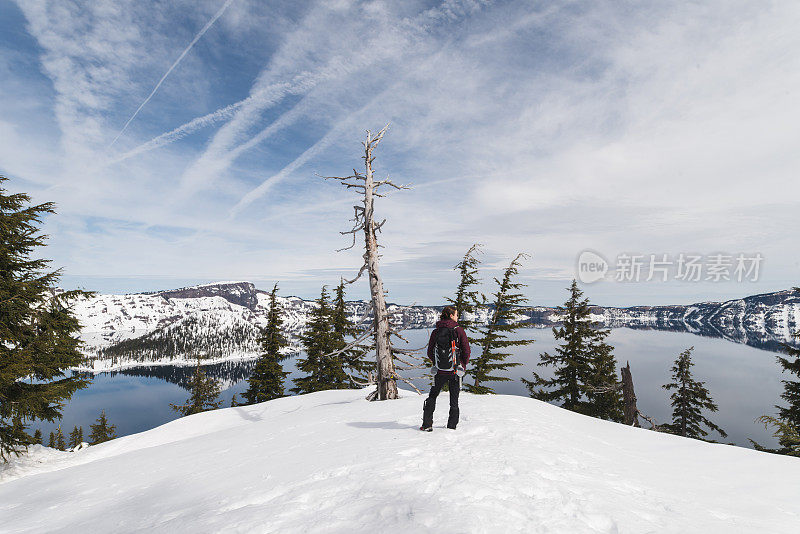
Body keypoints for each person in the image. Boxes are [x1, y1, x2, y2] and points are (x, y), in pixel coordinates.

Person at [420, 305, 471, 431]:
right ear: (451, 316)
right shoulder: (458, 330)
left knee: (432, 396)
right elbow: (467, 350)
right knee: (454, 400)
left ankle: (427, 424)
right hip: (454, 371)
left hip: (439, 371)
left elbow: (429, 351)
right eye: (456, 314)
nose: (457, 317)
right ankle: (451, 427)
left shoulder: (436, 331)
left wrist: (437, 363)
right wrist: (462, 365)